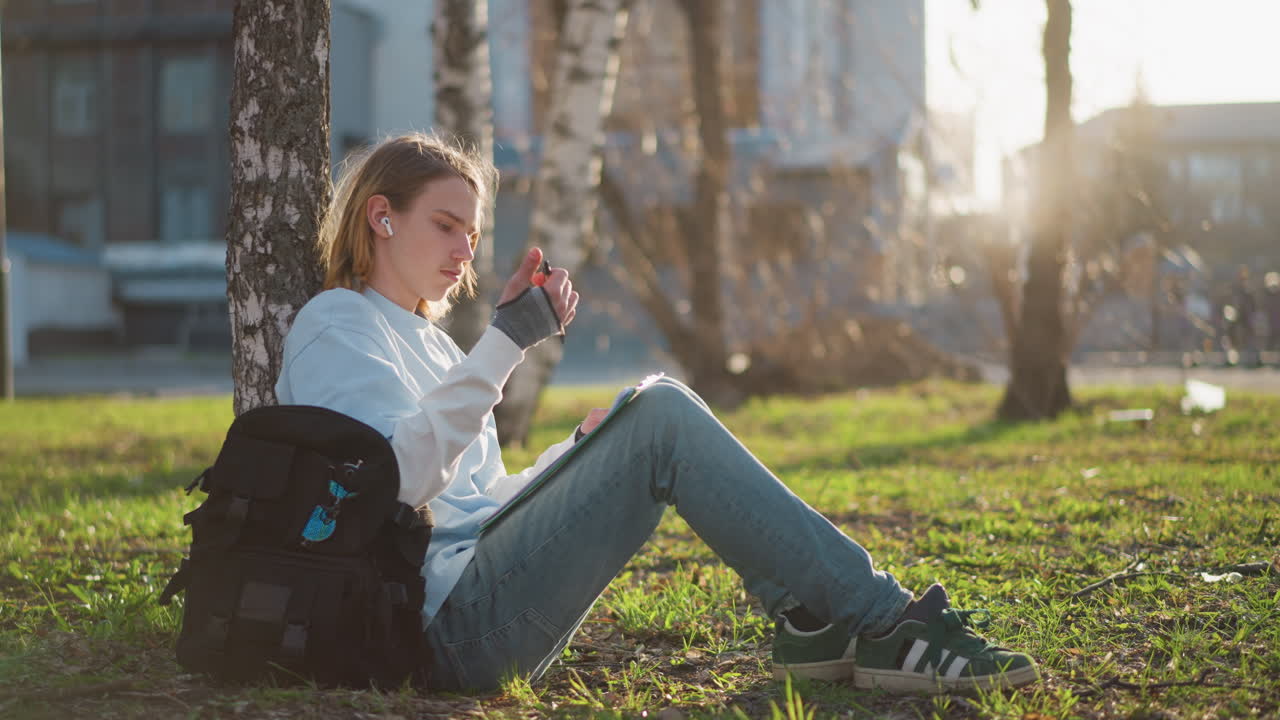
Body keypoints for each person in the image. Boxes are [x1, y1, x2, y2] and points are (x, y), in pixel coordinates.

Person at [274, 133, 1038, 694]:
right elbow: (389, 489)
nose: (463, 251)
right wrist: (506, 342)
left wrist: (573, 456)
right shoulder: (335, 324)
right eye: (445, 225)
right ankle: (885, 622)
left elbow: (478, 505)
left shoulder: (439, 352)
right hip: (440, 633)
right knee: (665, 414)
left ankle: (811, 623)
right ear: (381, 217)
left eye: (471, 235)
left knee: (648, 407)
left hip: (483, 605)